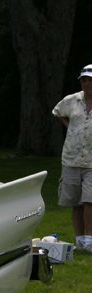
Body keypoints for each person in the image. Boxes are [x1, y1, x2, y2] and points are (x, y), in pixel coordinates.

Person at [53, 64, 92, 252]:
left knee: (89, 200)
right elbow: (57, 112)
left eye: (90, 80)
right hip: (71, 158)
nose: (87, 83)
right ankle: (79, 241)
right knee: (76, 202)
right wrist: (71, 127)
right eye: (84, 80)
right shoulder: (72, 100)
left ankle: (90, 242)